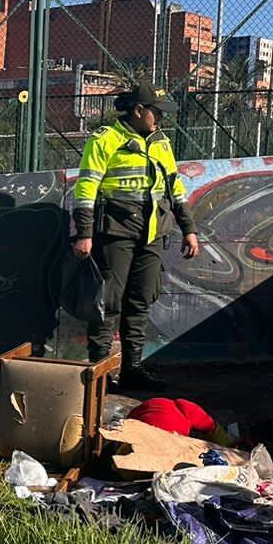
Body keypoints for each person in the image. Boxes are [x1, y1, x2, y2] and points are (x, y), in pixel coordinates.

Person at [71, 80, 200, 390]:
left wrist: (189, 229)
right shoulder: (106, 139)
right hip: (115, 234)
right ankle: (98, 377)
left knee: (140, 301)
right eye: (157, 112)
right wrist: (84, 233)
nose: (162, 119)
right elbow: (86, 188)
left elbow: (175, 188)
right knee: (107, 304)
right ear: (139, 110)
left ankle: (132, 370)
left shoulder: (161, 142)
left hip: (153, 233)